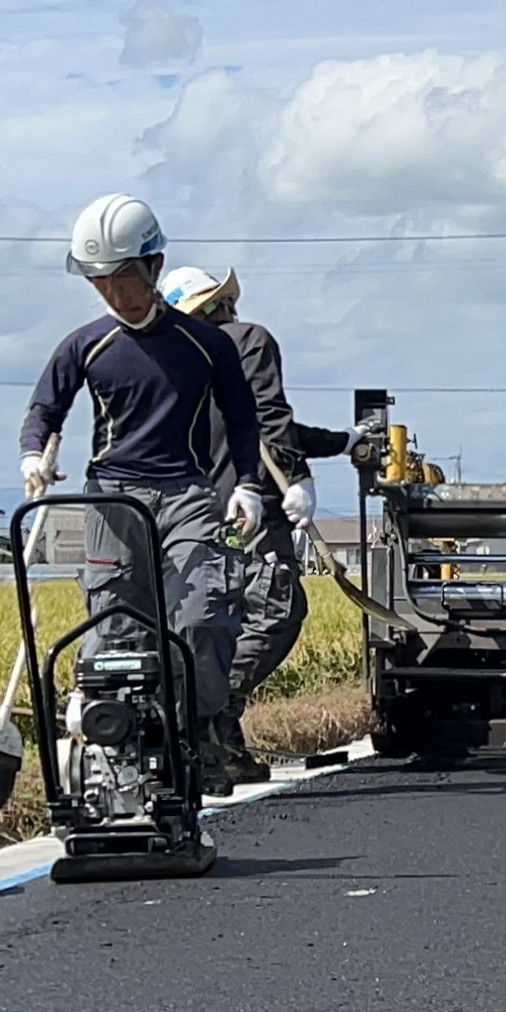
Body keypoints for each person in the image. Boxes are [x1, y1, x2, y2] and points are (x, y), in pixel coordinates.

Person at [18, 195, 276, 810]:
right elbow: (44, 410)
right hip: (110, 495)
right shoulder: (85, 345)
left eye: (125, 277)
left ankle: (200, 730)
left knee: (203, 617)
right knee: (113, 624)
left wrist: (245, 484)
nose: (115, 293)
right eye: (101, 281)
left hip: (187, 492)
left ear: (154, 267)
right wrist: (35, 456)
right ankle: (113, 749)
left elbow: (243, 420)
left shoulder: (205, 345)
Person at [161, 262, 316, 747]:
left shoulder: (174, 363)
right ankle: (211, 714)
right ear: (219, 303)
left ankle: (215, 739)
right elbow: (272, 419)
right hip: (249, 512)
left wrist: (344, 439)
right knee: (276, 611)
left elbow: (254, 425)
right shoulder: (248, 340)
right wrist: (298, 477)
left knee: (213, 622)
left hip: (187, 516)